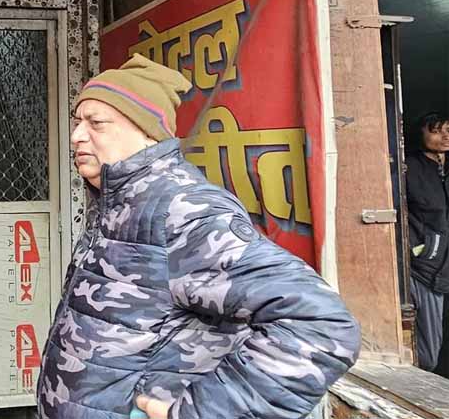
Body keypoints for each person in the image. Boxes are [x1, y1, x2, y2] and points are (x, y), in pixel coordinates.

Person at [37, 55, 361, 419]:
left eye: (96, 123)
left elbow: (319, 325)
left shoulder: (183, 212)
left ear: (147, 131)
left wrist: (201, 413)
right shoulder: (119, 203)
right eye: (77, 122)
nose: (77, 136)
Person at [405, 111, 449, 373]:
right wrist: (419, 250)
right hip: (425, 267)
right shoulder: (408, 168)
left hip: (444, 268)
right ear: (419, 132)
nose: (445, 136)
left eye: (448, 130)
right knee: (428, 355)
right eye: (436, 130)